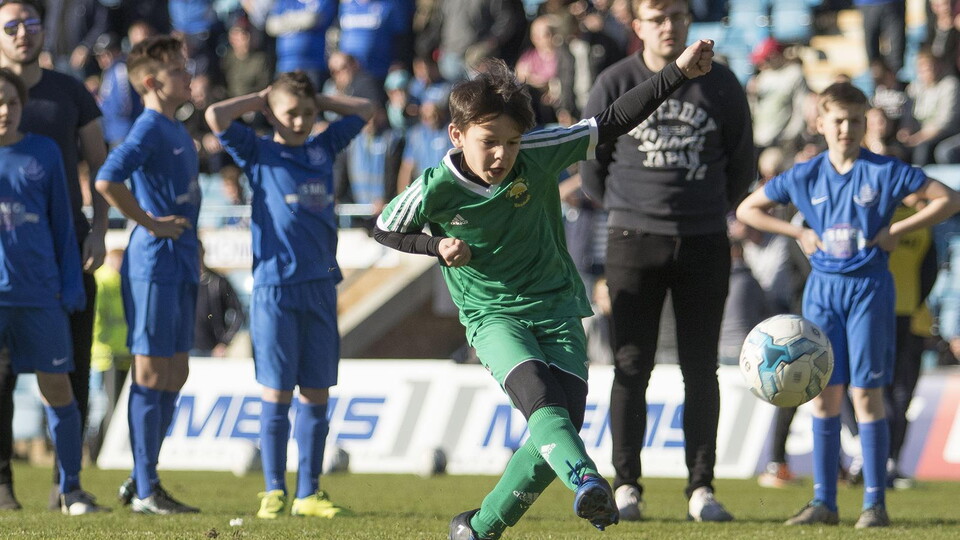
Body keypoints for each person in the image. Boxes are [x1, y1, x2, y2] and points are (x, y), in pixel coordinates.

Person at [374, 38, 716, 539]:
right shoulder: (434, 187)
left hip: (557, 308)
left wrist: (678, 72)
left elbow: (613, 120)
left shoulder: (538, 152)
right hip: (492, 316)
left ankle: (479, 529)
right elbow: (384, 227)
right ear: (457, 134)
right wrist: (436, 245)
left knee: (557, 426)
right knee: (541, 402)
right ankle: (587, 480)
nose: (502, 154)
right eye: (489, 141)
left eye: (512, 142)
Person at [736, 81, 960, 528]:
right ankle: (824, 502)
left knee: (866, 395)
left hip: (869, 290)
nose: (846, 129)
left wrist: (897, 230)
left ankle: (875, 504)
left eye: (855, 121)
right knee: (823, 395)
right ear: (821, 123)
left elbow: (949, 199)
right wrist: (799, 232)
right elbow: (747, 210)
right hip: (822, 291)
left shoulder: (886, 171)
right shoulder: (805, 174)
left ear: (865, 124)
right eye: (838, 120)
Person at [579, 0, 754, 523]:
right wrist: (631, 208)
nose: (669, 26)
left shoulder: (722, 83)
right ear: (638, 25)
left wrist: (706, 209)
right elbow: (590, 165)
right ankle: (626, 484)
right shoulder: (615, 80)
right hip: (633, 238)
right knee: (631, 365)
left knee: (701, 368)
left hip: (703, 238)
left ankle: (701, 488)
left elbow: (742, 164)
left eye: (677, 15)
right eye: (657, 17)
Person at [205, 71, 374, 519]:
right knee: (277, 392)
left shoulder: (323, 147)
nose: (300, 121)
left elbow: (365, 110)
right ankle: (274, 490)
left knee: (317, 392)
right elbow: (215, 115)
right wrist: (261, 97)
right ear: (272, 114)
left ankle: (309, 494)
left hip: (320, 286)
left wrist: (318, 99)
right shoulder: (258, 151)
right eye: (290, 113)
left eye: (307, 113)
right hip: (275, 289)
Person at [0, 0, 109, 511]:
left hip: (64, 256)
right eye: (11, 25)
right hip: (9, 274)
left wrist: (100, 230)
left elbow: (101, 166)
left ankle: (67, 486)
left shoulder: (69, 91)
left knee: (71, 374)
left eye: (31, 23)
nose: (23, 33)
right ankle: (2, 486)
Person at [94, 34, 203, 515]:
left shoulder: (175, 128)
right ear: (153, 83)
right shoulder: (149, 127)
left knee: (177, 371)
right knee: (152, 371)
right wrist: (150, 223)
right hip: (154, 263)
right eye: (178, 70)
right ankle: (144, 488)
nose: (188, 75)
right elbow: (107, 178)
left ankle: (143, 477)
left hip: (181, 259)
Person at [193, 242, 245, 357]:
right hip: (185, 350)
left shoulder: (218, 282)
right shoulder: (183, 283)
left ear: (203, 252)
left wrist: (224, 342)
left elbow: (238, 312)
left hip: (212, 350)